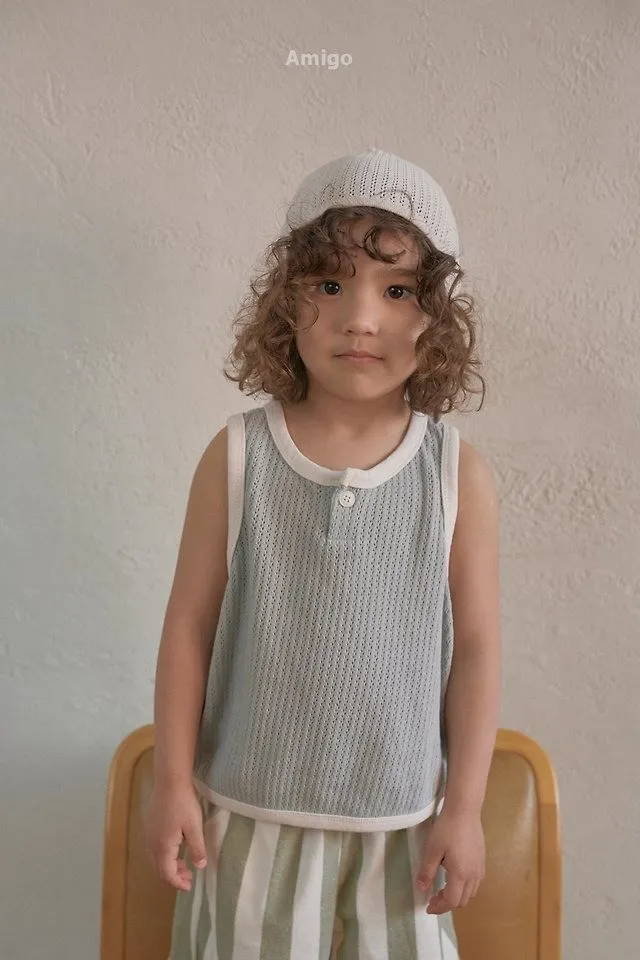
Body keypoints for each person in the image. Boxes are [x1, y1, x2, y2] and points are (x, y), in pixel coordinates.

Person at [144, 148, 501, 960]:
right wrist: (170, 782)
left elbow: (476, 649)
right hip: (248, 816)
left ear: (436, 315)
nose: (361, 318)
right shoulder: (238, 456)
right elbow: (189, 627)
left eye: (398, 289)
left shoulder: (457, 474)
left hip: (405, 828)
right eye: (331, 284)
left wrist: (465, 808)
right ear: (287, 300)